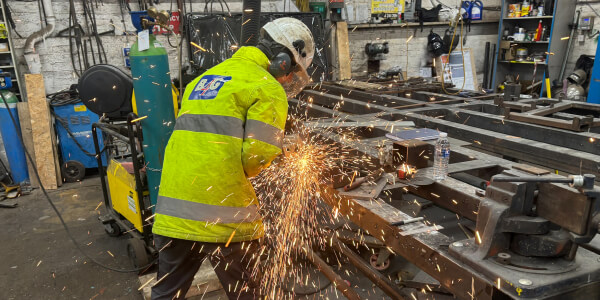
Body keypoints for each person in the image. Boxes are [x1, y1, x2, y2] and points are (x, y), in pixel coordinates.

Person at [150, 17, 314, 300]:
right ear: (283, 61)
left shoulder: (204, 79)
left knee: (166, 293)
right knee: (248, 294)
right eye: (291, 73)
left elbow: (205, 140)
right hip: (225, 217)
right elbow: (256, 158)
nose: (288, 80)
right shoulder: (267, 87)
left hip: (173, 212)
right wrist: (276, 154)